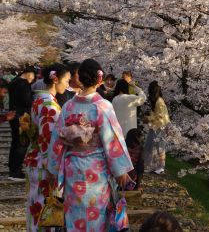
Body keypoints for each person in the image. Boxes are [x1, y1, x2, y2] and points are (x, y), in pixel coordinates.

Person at [47, 58, 133, 231]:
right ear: (99, 79)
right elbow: (112, 141)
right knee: (96, 217)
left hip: (72, 169)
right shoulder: (102, 106)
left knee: (74, 216)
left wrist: (53, 169)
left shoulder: (68, 107)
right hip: (96, 171)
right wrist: (120, 172)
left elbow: (57, 141)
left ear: (79, 79)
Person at [23, 64, 70, 232]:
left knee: (36, 205)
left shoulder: (39, 100)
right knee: (45, 209)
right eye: (66, 80)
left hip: (35, 159)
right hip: (44, 163)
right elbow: (48, 141)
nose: (68, 84)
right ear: (55, 79)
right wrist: (54, 168)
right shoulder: (49, 105)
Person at [7, 66, 36, 181]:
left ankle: (12, 169)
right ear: (29, 74)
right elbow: (27, 101)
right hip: (22, 116)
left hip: (14, 114)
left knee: (15, 142)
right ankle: (16, 172)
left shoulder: (14, 81)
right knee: (22, 143)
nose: (32, 80)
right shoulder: (24, 83)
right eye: (33, 77)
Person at [143, 81, 170, 174]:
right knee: (153, 146)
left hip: (159, 127)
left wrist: (148, 118)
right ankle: (154, 166)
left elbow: (160, 116)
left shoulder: (159, 102)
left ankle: (158, 167)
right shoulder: (158, 101)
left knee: (157, 146)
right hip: (157, 126)